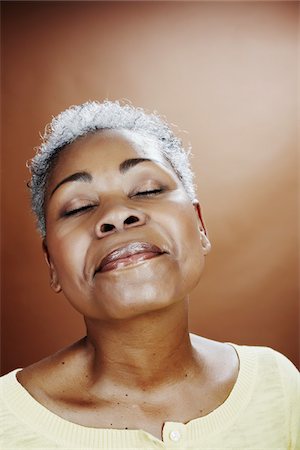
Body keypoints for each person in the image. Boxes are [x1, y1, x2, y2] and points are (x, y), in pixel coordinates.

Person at [1, 100, 299, 449]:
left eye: (148, 190)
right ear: (52, 263)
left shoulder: (276, 383)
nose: (117, 214)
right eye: (79, 206)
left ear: (200, 226)